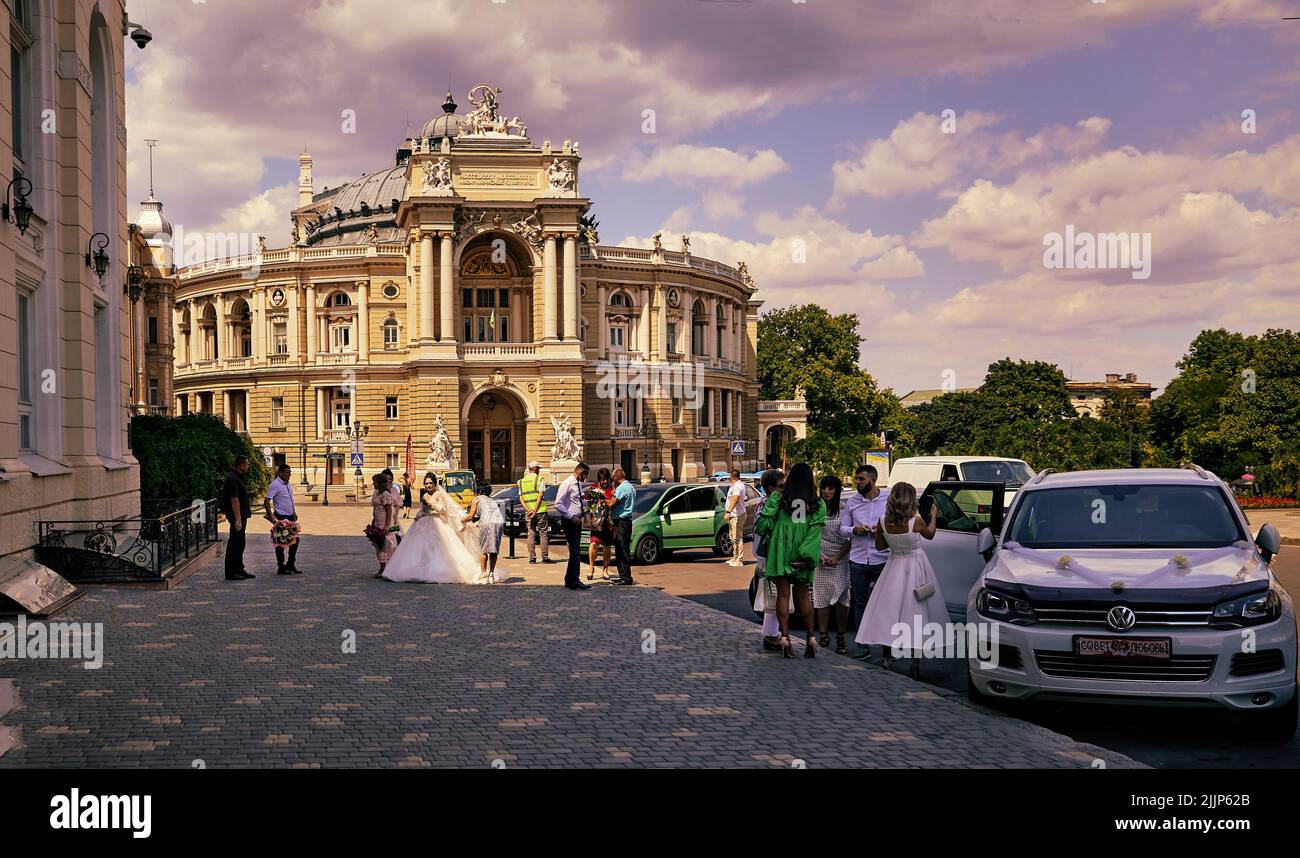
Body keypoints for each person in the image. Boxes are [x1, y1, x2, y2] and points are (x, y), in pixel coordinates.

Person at [854, 481, 946, 678]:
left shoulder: (882, 521)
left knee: (890, 612)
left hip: (894, 567)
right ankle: (915, 660)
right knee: (917, 613)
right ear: (910, 499)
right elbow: (930, 535)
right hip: (917, 567)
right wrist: (934, 516)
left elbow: (879, 547)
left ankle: (887, 657)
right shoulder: (917, 520)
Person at [754, 462, 825, 658]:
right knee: (804, 595)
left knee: (783, 595)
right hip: (804, 547)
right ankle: (811, 638)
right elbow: (816, 530)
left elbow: (762, 527)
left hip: (781, 549)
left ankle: (785, 639)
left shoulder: (778, 498)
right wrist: (805, 555)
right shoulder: (817, 503)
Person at [381, 472, 483, 583]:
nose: (428, 485)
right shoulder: (425, 495)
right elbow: (423, 510)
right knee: (420, 547)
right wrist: (418, 516)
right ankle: (420, 570)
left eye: (430, 483)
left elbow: (442, 509)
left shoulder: (439, 494)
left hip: (437, 522)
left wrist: (430, 505)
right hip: (424, 522)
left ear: (435, 484)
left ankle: (438, 570)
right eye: (426, 483)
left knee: (440, 547)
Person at [840, 464, 890, 660]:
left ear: (873, 480)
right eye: (857, 479)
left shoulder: (887, 500)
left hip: (882, 558)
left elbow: (897, 523)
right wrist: (855, 530)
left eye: (861, 479)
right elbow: (843, 529)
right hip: (859, 559)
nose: (858, 483)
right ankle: (863, 647)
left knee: (885, 604)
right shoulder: (852, 502)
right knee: (860, 603)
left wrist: (882, 530)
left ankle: (887, 647)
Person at [813, 475, 851, 654]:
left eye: (831, 488)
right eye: (824, 488)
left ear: (837, 491)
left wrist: (837, 557)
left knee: (842, 598)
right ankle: (823, 635)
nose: (827, 492)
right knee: (821, 598)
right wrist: (818, 555)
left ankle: (841, 637)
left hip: (840, 560)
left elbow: (850, 539)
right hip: (820, 559)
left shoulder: (845, 511)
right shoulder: (815, 511)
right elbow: (810, 536)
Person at [753, 468, 788, 651]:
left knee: (773, 595)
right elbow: (764, 528)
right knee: (774, 595)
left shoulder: (765, 502)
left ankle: (771, 633)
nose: (784, 489)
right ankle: (770, 635)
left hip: (766, 553)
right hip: (769, 553)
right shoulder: (769, 503)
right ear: (771, 487)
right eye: (781, 486)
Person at [555, 462, 592, 590]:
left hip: (577, 521)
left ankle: (570, 579)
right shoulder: (567, 484)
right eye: (585, 475)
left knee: (575, 551)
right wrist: (571, 516)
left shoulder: (578, 484)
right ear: (580, 472)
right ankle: (574, 580)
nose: (585, 478)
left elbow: (578, 501)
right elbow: (558, 504)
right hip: (570, 521)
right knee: (575, 552)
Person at [462, 480, 506, 583]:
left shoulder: (476, 499)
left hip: (487, 523)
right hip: (499, 522)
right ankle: (491, 574)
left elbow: (471, 516)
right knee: (494, 549)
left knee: (484, 549)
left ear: (478, 491)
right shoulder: (492, 500)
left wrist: (462, 519)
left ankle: (483, 574)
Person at [264, 463, 302, 575]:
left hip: (290, 517)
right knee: (281, 542)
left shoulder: (287, 484)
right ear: (280, 473)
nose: (289, 474)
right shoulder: (275, 484)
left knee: (294, 541)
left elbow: (289, 499)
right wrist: (271, 516)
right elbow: (267, 500)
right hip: (281, 517)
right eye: (286, 472)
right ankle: (281, 566)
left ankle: (291, 564)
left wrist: (293, 512)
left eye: (290, 472)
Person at [222, 455, 255, 581]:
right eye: (247, 464)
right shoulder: (232, 478)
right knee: (234, 544)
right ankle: (231, 572)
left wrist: (248, 494)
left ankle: (239, 569)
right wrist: (238, 519)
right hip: (237, 517)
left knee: (240, 543)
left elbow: (239, 495)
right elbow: (234, 500)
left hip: (240, 516)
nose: (248, 466)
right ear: (241, 465)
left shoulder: (237, 478)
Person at [518, 461, 551, 564]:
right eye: (538, 468)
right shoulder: (539, 479)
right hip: (540, 511)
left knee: (531, 533)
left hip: (528, 512)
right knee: (543, 533)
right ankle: (544, 557)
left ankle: (532, 558)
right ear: (535, 468)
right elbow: (540, 496)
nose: (539, 470)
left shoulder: (522, 481)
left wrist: (528, 510)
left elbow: (521, 498)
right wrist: (535, 510)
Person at [585, 468, 614, 580]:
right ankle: (591, 567)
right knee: (593, 544)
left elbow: (613, 503)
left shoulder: (612, 489)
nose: (605, 482)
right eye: (603, 480)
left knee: (607, 546)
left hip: (608, 523)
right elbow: (587, 499)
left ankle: (605, 570)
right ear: (599, 480)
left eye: (606, 479)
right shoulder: (594, 488)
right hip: (596, 522)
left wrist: (605, 498)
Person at [368, 473, 399, 578]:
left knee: (387, 545)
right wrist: (373, 521)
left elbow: (389, 510)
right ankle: (382, 567)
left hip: (385, 522)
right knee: (379, 545)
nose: (373, 483)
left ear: (380, 483)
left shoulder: (386, 494)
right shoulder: (376, 493)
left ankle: (388, 568)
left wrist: (387, 525)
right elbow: (375, 509)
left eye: (374, 482)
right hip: (377, 521)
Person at [609, 468, 636, 585]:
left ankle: (625, 577)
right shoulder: (630, 487)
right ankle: (624, 576)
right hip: (627, 521)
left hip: (621, 522)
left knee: (621, 549)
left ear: (615, 478)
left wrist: (601, 497)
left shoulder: (622, 488)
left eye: (613, 479)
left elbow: (611, 503)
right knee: (623, 548)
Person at [724, 468, 747, 567]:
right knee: (733, 537)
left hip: (736, 515)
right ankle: (735, 556)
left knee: (737, 537)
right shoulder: (738, 485)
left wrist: (728, 512)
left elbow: (735, 499)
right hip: (734, 515)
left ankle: (739, 559)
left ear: (731, 477)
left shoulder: (737, 487)